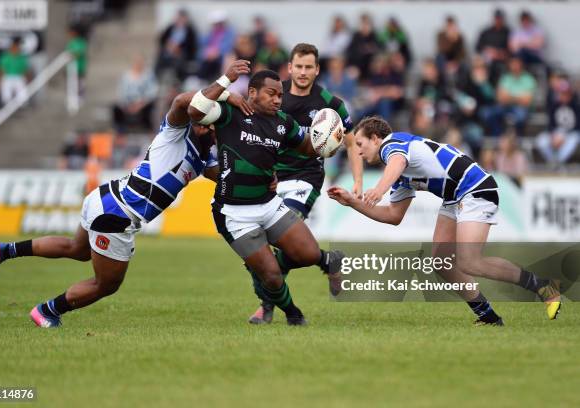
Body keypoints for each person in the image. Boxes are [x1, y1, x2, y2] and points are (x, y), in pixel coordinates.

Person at [0, 63, 253, 328]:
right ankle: (46, 311)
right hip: (118, 214)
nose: (212, 131)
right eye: (210, 124)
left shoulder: (203, 159)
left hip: (106, 199)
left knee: (76, 249)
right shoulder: (175, 132)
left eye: (216, 127)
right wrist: (226, 84)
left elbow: (227, 175)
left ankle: (2, 251)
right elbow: (183, 100)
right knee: (106, 284)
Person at [327, 116, 561, 325]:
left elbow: (397, 162)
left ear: (376, 139)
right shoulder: (399, 176)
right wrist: (352, 202)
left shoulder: (392, 145)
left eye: (360, 144)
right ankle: (488, 316)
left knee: (470, 262)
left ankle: (542, 285)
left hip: (475, 188)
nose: (357, 151)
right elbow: (393, 216)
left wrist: (378, 189)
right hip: (455, 196)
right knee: (441, 262)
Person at [187, 67, 347, 326]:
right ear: (252, 92)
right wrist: (227, 83)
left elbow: (307, 146)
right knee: (271, 275)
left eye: (280, 96)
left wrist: (327, 142)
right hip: (234, 213)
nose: (277, 100)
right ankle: (293, 313)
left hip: (269, 204)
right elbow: (195, 109)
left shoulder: (283, 122)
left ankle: (327, 260)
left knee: (306, 254)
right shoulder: (229, 113)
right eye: (271, 94)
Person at [248, 44, 364, 324]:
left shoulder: (330, 104)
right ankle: (328, 261)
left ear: (317, 70)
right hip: (272, 178)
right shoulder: (273, 96)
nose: (302, 72)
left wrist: (358, 180)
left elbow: (351, 143)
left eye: (308, 67)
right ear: (289, 68)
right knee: (268, 247)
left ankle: (266, 307)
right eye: (298, 66)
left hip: (306, 177)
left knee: (283, 238)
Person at [112, 55, 159, 131]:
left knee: (150, 108)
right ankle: (120, 131)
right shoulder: (126, 76)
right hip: (128, 104)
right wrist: (127, 106)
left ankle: (148, 130)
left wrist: (140, 104)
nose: (138, 64)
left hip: (143, 104)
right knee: (116, 108)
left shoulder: (148, 75)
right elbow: (121, 92)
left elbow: (152, 92)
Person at [155, 8, 198, 81]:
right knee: (159, 59)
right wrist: (169, 45)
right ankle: (157, 78)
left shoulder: (189, 30)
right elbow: (162, 39)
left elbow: (191, 45)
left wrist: (179, 48)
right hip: (169, 51)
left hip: (181, 53)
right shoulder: (171, 28)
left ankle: (176, 79)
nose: (180, 20)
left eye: (182, 18)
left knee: (179, 61)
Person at [0, 37, 30, 104]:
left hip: (18, 77)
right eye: (15, 45)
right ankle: (6, 104)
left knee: (22, 91)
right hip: (7, 77)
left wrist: (26, 78)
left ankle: (22, 105)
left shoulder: (22, 57)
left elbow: (25, 71)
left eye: (18, 46)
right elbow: (1, 70)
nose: (17, 47)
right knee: (6, 88)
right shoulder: (5, 57)